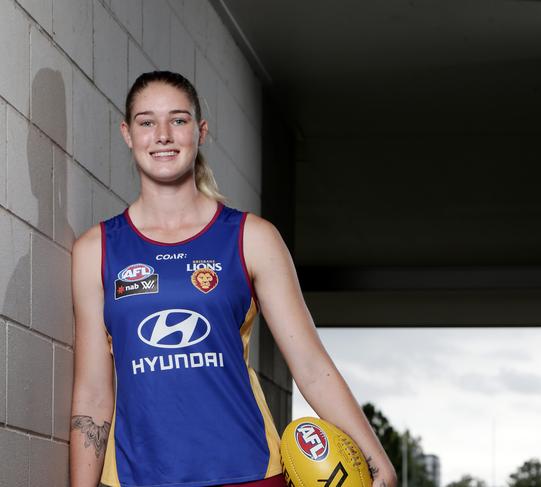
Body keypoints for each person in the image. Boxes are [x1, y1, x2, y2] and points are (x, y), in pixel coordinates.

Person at [70, 71, 397, 487]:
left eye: (179, 120)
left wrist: (375, 458)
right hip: (136, 477)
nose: (163, 135)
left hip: (247, 472)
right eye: (147, 122)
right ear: (127, 133)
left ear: (201, 131)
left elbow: (312, 367)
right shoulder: (96, 250)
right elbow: (93, 397)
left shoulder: (252, 238)